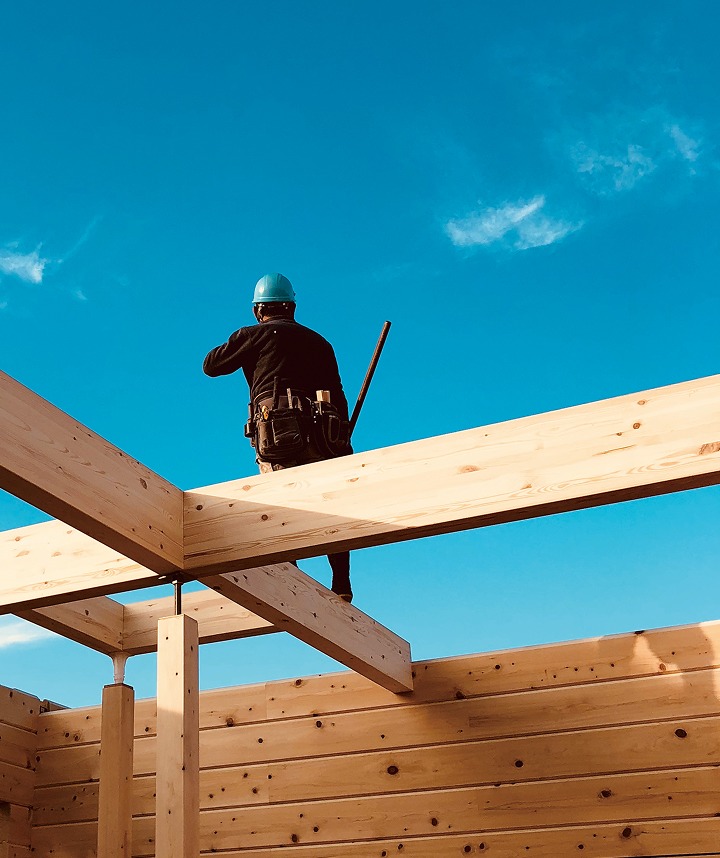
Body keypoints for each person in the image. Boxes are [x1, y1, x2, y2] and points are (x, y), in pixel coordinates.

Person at [203, 272, 354, 602]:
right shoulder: (320, 342)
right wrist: (342, 439)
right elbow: (338, 395)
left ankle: (292, 576)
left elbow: (211, 365)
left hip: (279, 436)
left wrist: (244, 337)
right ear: (293, 307)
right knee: (332, 506)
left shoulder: (254, 334)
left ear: (259, 309)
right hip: (325, 437)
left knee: (282, 503)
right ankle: (341, 584)